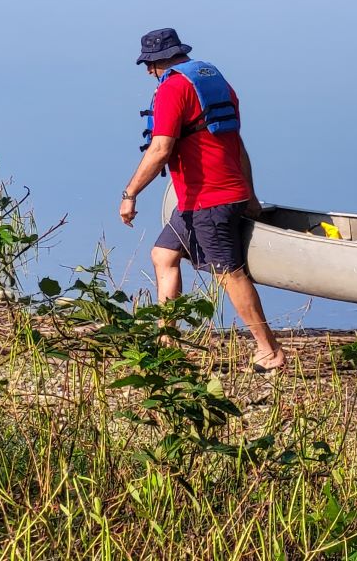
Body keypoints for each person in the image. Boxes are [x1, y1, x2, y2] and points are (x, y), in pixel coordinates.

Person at [119, 27, 286, 373]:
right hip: (218, 194)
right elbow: (236, 143)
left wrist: (130, 193)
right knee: (163, 255)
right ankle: (167, 345)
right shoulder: (213, 80)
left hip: (209, 200)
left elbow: (161, 148)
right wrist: (250, 194)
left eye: (148, 65)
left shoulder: (173, 89)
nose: (149, 72)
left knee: (230, 275)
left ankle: (269, 351)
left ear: (156, 62)